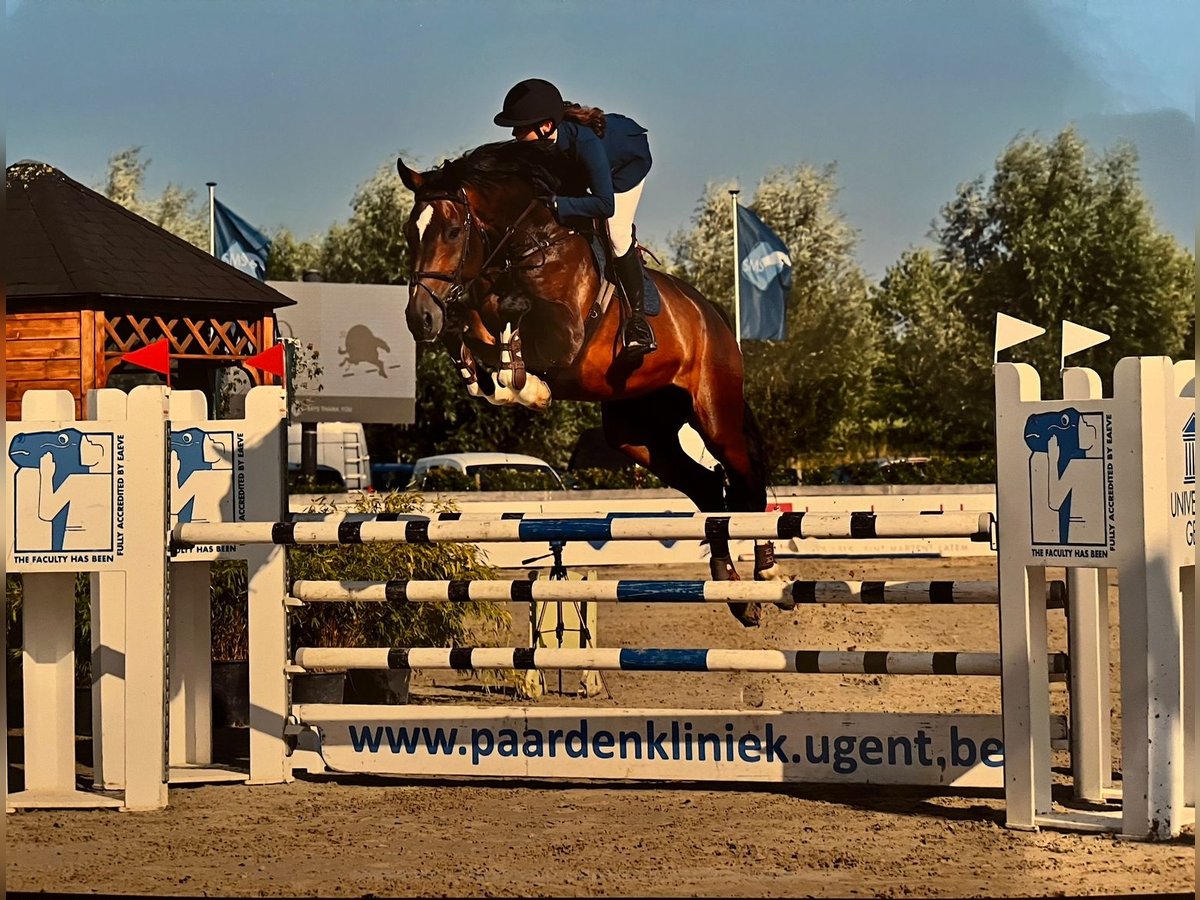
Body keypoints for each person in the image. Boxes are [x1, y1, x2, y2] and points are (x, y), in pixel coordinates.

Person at [494, 77, 657, 357]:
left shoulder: (586, 143)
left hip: (624, 167)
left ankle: (638, 324)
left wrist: (559, 205)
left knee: (615, 233)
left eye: (520, 129)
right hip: (580, 168)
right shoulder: (544, 142)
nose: (515, 135)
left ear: (545, 127)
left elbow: (605, 204)